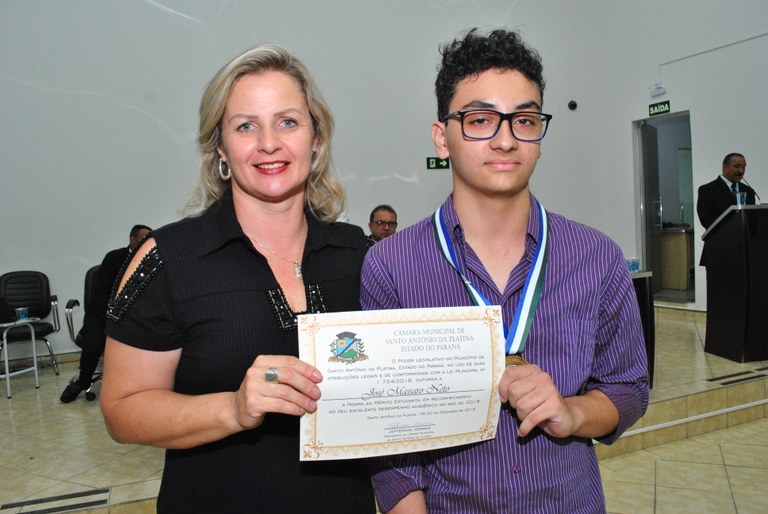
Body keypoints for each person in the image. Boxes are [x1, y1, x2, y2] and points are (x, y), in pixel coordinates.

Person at [361, 28, 649, 513]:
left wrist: (572, 411)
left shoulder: (596, 257)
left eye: (525, 120)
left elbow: (628, 388)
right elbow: (387, 431)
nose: (506, 139)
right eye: (480, 120)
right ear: (442, 138)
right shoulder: (392, 265)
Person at [99, 44, 375, 513]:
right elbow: (122, 412)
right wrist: (233, 408)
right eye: (246, 126)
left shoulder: (359, 255)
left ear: (317, 139)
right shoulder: (169, 259)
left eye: (288, 122)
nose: (269, 143)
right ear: (221, 149)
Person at [60, 224, 151, 403]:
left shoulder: (151, 261)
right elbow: (100, 294)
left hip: (133, 315)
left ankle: (143, 386)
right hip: (102, 314)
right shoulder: (114, 258)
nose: (147, 242)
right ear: (132, 240)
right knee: (94, 343)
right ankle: (82, 381)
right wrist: (114, 316)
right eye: (143, 238)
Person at [696, 152, 756, 230]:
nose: (741, 171)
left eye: (743, 167)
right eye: (737, 166)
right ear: (724, 167)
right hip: (721, 236)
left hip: (745, 237)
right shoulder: (708, 190)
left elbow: (753, 218)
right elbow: (707, 220)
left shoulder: (748, 191)